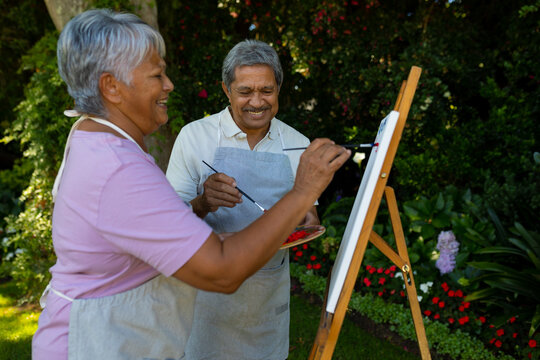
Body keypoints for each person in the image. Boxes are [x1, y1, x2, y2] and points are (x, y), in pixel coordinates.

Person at [31, 9, 350, 360]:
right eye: (157, 73)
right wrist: (303, 192)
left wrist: (302, 213)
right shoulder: (117, 166)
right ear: (111, 86)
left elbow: (162, 235)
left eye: (266, 90)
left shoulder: (97, 141)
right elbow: (223, 270)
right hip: (95, 343)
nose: (168, 84)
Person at [166, 40, 318, 360]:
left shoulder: (297, 144)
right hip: (205, 296)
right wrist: (203, 203)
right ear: (226, 89)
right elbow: (168, 225)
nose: (257, 102)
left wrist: (307, 222)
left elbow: (309, 217)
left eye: (267, 90)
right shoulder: (195, 137)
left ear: (279, 88)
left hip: (267, 293)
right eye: (245, 91)